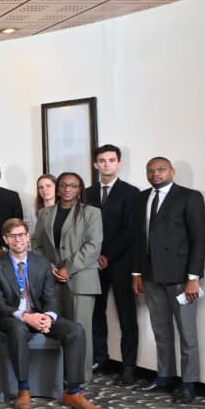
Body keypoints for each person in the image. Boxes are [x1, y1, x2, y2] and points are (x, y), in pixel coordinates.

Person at [0, 219, 101, 409]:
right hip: (11, 316)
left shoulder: (41, 263)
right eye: (12, 236)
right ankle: (23, 389)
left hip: (39, 314)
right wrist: (25, 316)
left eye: (21, 235)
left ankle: (73, 392)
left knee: (75, 330)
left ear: (28, 237)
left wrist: (48, 317)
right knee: (18, 329)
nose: (18, 239)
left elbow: (51, 298)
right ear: (5, 239)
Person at [132, 157, 205, 404]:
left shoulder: (189, 197)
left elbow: (200, 239)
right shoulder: (141, 198)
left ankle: (188, 383)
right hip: (151, 275)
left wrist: (193, 277)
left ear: (172, 171)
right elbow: (138, 239)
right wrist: (136, 273)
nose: (156, 174)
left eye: (161, 169)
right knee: (160, 330)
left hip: (180, 277)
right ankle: (164, 376)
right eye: (151, 170)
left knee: (187, 332)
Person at [32, 172, 102, 380]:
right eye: (63, 185)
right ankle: (60, 375)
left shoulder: (91, 213)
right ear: (58, 188)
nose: (67, 189)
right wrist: (50, 266)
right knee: (57, 327)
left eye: (73, 186)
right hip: (52, 278)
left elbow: (93, 246)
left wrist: (68, 268)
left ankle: (80, 376)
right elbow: (36, 244)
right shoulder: (45, 213)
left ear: (80, 189)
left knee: (80, 329)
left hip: (81, 279)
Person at [85, 145, 140, 385]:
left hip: (121, 263)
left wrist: (107, 255)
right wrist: (94, 255)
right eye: (102, 160)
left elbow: (131, 230)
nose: (106, 164)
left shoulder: (131, 193)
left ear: (119, 163)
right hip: (92, 263)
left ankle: (128, 367)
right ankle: (100, 358)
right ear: (95, 164)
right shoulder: (87, 193)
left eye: (111, 160)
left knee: (126, 315)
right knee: (96, 313)